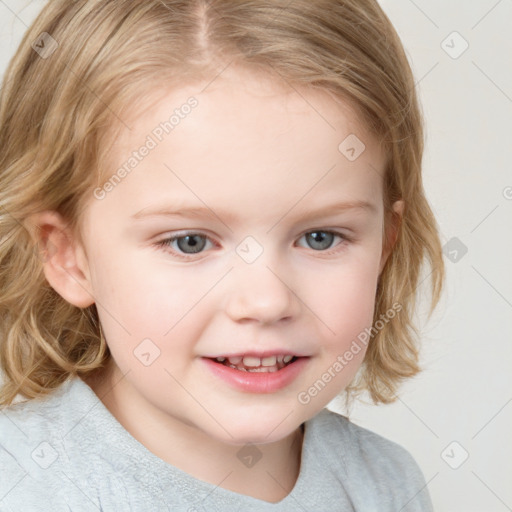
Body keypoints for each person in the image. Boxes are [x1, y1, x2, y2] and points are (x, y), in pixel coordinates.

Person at [0, 0, 444, 510]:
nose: (266, 301)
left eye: (320, 237)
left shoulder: (384, 485)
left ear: (385, 244)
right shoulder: (22, 485)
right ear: (68, 256)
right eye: (190, 242)